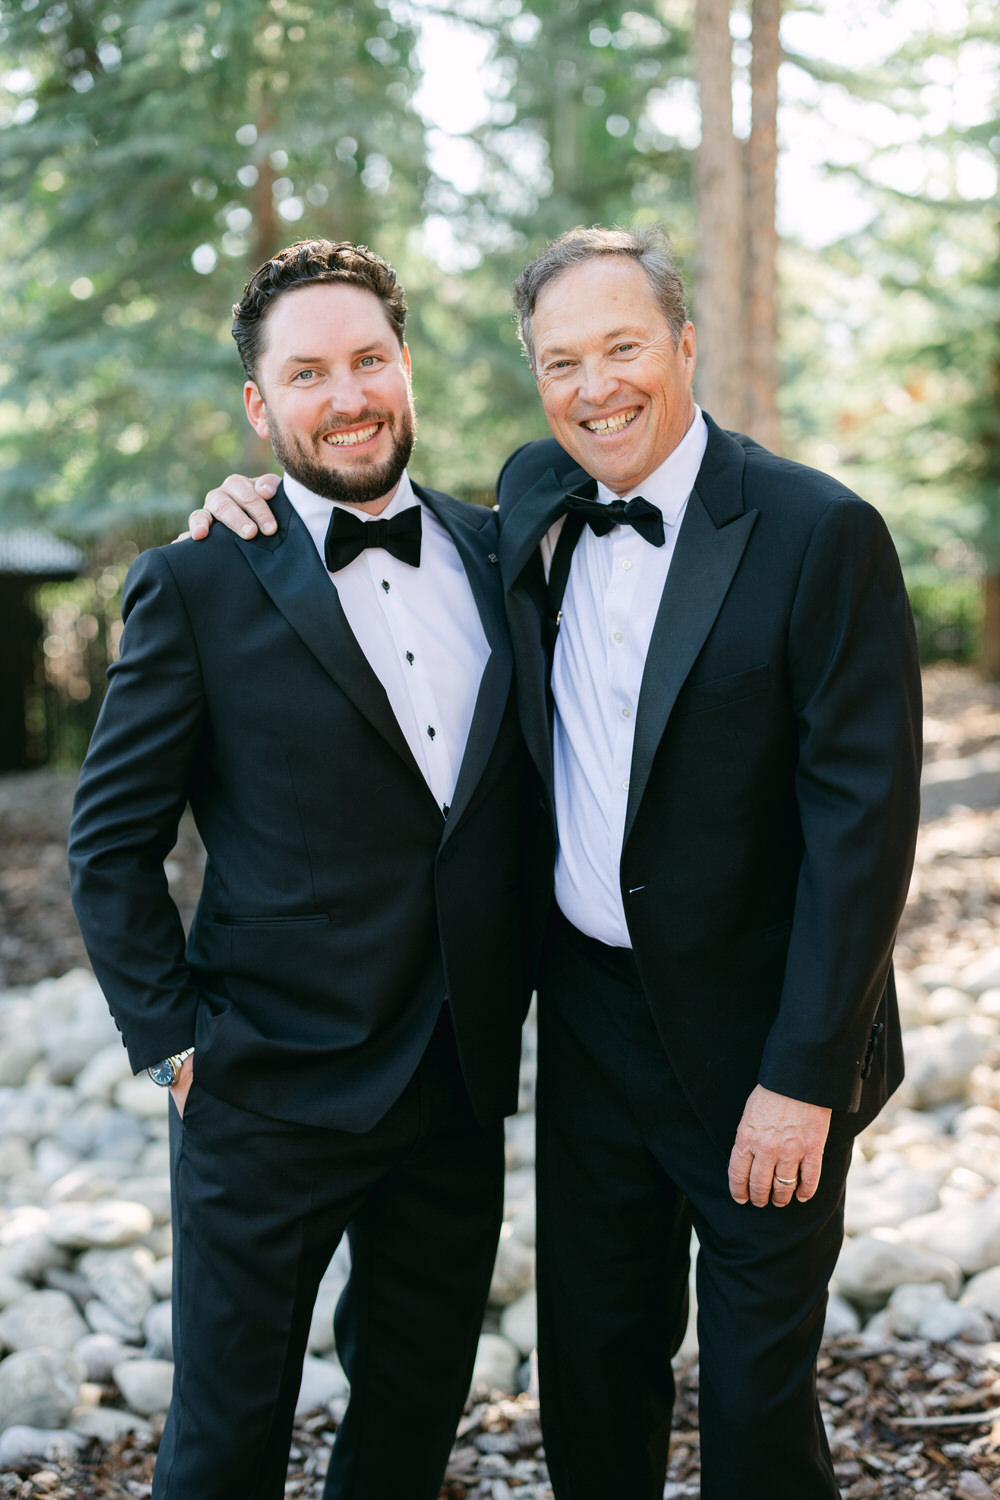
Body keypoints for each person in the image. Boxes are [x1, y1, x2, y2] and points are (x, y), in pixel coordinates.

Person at [194, 224, 922, 1500]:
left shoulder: (821, 533)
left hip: (765, 1038)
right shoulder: (526, 503)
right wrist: (249, 505)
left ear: (685, 345)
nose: (596, 388)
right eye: (561, 361)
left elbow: (864, 832)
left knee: (755, 1398)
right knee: (594, 1370)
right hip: (586, 1022)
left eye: (624, 346)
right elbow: (353, 532)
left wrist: (803, 1076)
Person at [68, 238, 534, 1500]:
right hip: (262, 1087)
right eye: (310, 371)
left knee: (408, 1421)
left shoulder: (507, 555)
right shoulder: (198, 581)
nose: (350, 395)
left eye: (370, 358)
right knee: (222, 1446)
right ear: (260, 405)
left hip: (453, 1081)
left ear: (406, 368)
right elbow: (111, 842)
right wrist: (174, 1043)